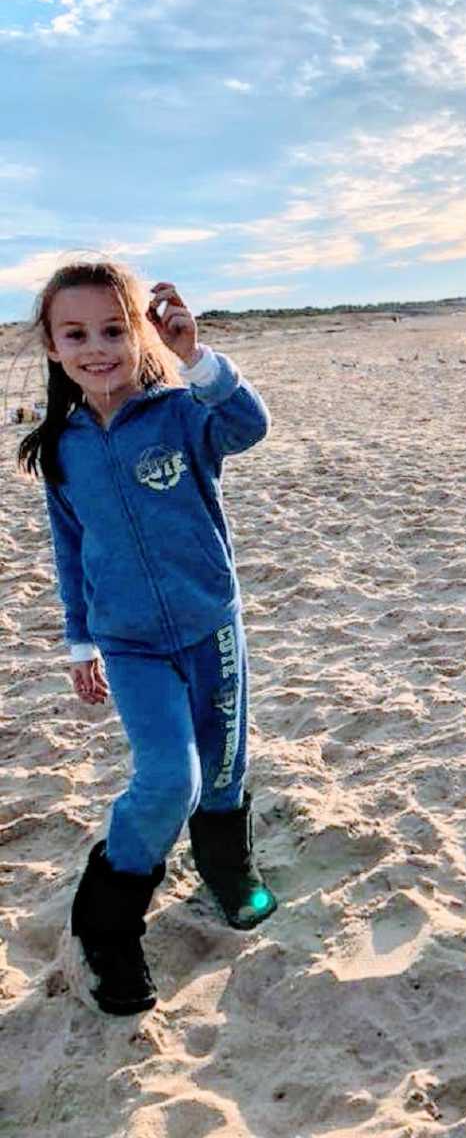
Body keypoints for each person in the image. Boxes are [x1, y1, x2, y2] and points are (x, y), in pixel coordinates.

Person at [17, 261, 278, 1017]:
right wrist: (79, 642)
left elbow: (249, 425)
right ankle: (107, 924)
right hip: (128, 644)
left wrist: (196, 358)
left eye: (113, 329)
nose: (97, 348)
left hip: (212, 627)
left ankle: (228, 874)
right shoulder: (61, 451)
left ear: (141, 333)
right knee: (170, 779)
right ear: (54, 346)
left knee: (224, 769)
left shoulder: (181, 413)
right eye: (77, 334)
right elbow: (71, 553)